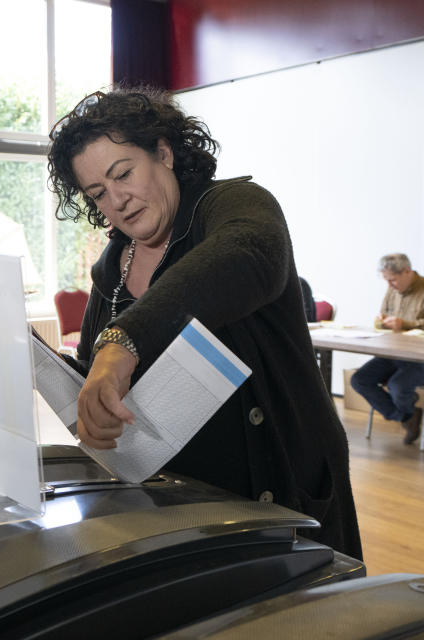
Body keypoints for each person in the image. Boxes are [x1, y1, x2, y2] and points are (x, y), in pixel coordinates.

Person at [47, 87, 362, 560]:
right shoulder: (112, 267)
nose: (117, 199)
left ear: (165, 153)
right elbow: (96, 367)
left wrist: (124, 342)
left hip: (278, 488)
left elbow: (249, 255)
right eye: (98, 193)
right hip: (178, 499)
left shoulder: (232, 206)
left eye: (124, 173)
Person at [349, 254, 424, 444]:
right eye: (386, 280)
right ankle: (405, 416)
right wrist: (381, 321)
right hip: (394, 354)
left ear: (407, 271)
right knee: (359, 380)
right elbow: (385, 319)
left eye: (393, 279)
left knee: (397, 385)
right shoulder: (392, 290)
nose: (390, 285)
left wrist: (404, 323)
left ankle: (405, 412)